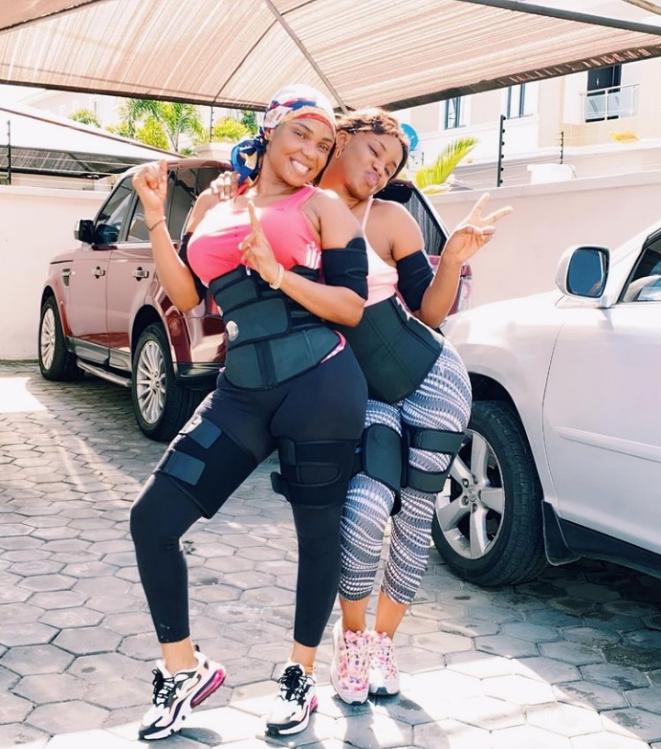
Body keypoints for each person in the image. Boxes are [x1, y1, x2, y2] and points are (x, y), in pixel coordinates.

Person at [129, 86, 369, 740]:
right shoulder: (217, 203)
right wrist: (155, 216)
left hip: (320, 387)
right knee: (153, 519)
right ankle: (183, 670)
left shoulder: (323, 207)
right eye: (301, 134)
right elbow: (185, 296)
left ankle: (299, 674)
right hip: (241, 393)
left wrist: (278, 273)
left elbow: (350, 307)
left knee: (316, 536)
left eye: (324, 144)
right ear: (269, 131)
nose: (312, 152)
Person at [315, 109, 512, 704]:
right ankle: (351, 640)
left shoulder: (391, 218)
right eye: (374, 152)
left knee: (415, 517)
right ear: (342, 138)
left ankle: (381, 645)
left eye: (392, 164)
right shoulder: (298, 210)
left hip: (434, 381)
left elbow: (428, 312)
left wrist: (449, 259)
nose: (381, 169)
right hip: (369, 394)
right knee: (364, 510)